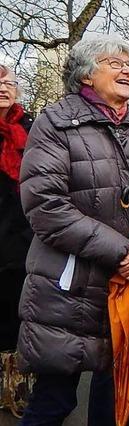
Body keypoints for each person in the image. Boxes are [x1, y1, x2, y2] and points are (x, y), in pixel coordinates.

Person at [17, 34, 129, 426]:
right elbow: (45, 207)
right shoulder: (55, 123)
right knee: (54, 401)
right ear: (86, 74)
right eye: (115, 63)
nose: (128, 70)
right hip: (68, 286)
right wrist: (123, 253)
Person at [0, 64, 33, 352]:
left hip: (23, 238)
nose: (3, 88)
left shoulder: (29, 128)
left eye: (9, 83)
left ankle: (16, 395)